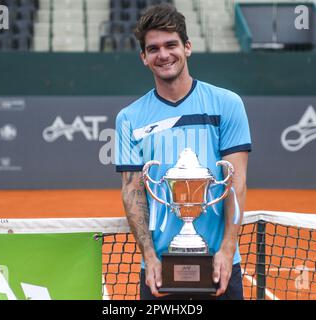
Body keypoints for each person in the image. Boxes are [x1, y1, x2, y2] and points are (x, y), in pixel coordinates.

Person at [115, 3, 251, 300]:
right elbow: (132, 191)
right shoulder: (128, 119)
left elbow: (235, 183)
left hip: (220, 266)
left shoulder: (227, 105)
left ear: (187, 47)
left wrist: (227, 249)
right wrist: (149, 256)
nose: (163, 54)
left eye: (171, 44)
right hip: (158, 271)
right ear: (144, 58)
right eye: (153, 48)